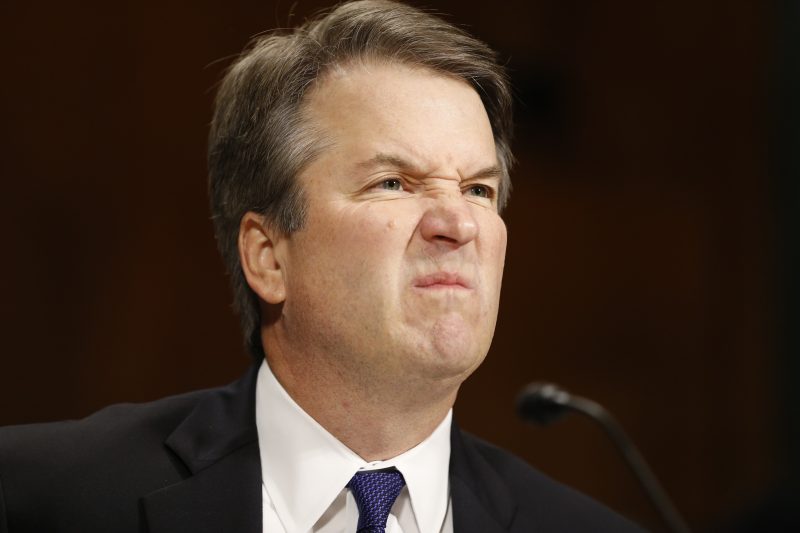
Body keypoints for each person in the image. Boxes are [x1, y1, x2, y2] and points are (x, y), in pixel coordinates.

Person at [0, 1, 646, 531]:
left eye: (478, 189)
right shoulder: (43, 495)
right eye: (394, 183)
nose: (459, 223)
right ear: (268, 255)